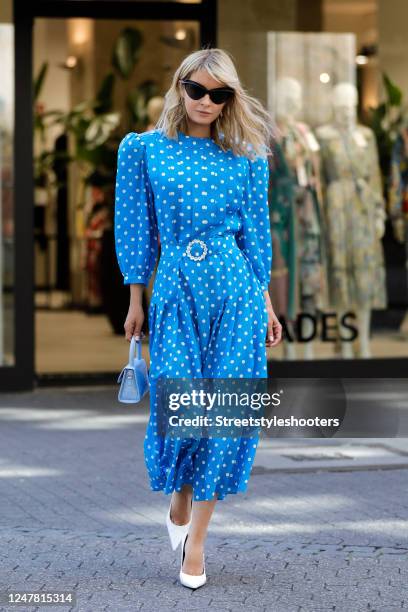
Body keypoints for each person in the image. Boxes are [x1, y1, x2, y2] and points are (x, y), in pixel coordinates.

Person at [114, 47, 282, 589]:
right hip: (176, 291)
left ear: (231, 98)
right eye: (198, 90)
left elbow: (256, 237)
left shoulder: (248, 156)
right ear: (180, 86)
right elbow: (138, 230)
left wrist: (267, 304)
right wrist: (136, 299)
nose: (207, 102)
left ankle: (199, 543)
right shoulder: (145, 151)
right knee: (182, 404)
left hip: (235, 291)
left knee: (227, 413)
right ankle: (180, 497)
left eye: (220, 94)